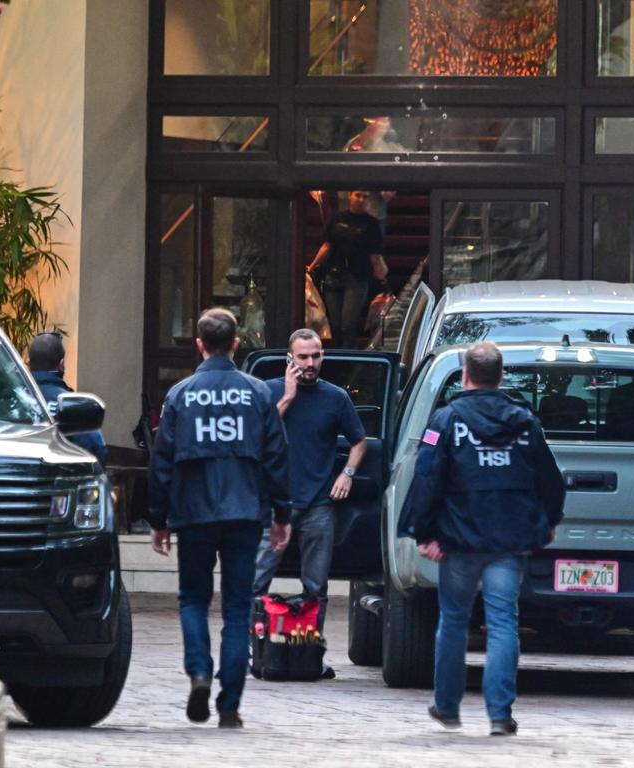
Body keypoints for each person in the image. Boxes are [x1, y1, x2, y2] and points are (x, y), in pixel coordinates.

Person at [398, 341, 566, 736]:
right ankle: (499, 714)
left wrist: (424, 532)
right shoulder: (525, 421)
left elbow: (427, 477)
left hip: (459, 541)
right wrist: (549, 519)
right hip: (509, 542)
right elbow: (549, 477)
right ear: (500, 374)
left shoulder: (445, 421)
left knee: (454, 621)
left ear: (465, 373)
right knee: (504, 622)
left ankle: (447, 706)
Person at [148, 308, 292, 728]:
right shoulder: (258, 393)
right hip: (245, 511)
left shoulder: (179, 395)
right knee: (237, 605)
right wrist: (282, 513)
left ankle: (197, 671)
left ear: (198, 345)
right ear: (235, 344)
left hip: (193, 513)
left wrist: (158, 518)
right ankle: (230, 703)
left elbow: (162, 463)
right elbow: (276, 458)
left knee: (193, 598)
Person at [252, 329, 367, 646]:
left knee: (316, 587)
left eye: (316, 356)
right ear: (289, 359)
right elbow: (256, 435)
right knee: (255, 582)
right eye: (303, 356)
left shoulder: (335, 397)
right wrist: (287, 398)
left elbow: (359, 442)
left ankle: (308, 650)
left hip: (318, 505)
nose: (310, 362)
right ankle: (255, 648)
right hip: (274, 506)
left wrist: (347, 473)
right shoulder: (268, 391)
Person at [308, 189, 388, 348]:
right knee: (335, 325)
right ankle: (340, 360)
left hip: (357, 278)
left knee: (348, 324)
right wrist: (312, 266)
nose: (361, 199)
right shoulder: (338, 218)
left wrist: (382, 276)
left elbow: (375, 255)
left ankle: (349, 363)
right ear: (350, 196)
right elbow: (328, 245)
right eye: (358, 195)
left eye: (365, 196)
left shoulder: (371, 224)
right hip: (334, 274)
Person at [27, 332, 107, 465]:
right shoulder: (70, 405)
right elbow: (95, 447)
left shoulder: (10, 401)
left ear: (28, 363)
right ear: (61, 364)